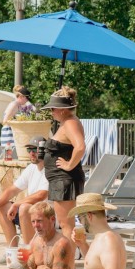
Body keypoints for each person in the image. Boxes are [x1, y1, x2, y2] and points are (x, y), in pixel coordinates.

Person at [41, 87, 87, 257]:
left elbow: (80, 146)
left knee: (66, 225)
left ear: (61, 109)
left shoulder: (70, 122)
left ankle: (68, 265)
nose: (51, 112)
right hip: (59, 180)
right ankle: (68, 263)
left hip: (64, 179)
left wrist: (68, 165)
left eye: (52, 109)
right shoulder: (66, 122)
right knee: (66, 224)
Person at [0, 136, 48, 258]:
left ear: (44, 151)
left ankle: (29, 254)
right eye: (29, 150)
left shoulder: (50, 170)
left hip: (46, 214)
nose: (31, 153)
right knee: (2, 207)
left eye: (34, 150)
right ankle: (12, 252)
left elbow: (42, 195)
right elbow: (11, 190)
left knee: (25, 207)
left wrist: (16, 204)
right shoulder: (31, 168)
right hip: (31, 212)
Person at [0, 85, 35, 159]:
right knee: (10, 158)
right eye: (26, 98)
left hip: (14, 134)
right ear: (21, 96)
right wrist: (17, 121)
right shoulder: (14, 104)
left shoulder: (20, 106)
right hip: (8, 135)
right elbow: (4, 121)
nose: (27, 100)